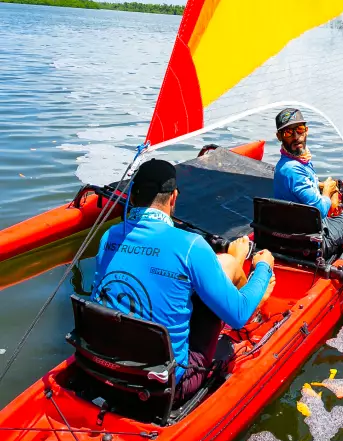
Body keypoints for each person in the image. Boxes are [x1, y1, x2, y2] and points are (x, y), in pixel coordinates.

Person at [91, 158, 275, 404]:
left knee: (221, 266)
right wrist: (263, 267)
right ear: (174, 197)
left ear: (132, 198)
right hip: (166, 387)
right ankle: (253, 294)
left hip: (106, 373)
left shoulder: (108, 238)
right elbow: (237, 316)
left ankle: (233, 265)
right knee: (229, 286)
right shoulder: (190, 246)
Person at [273, 108, 343, 257]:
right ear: (279, 136)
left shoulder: (289, 163)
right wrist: (326, 189)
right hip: (316, 242)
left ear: (306, 130)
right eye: (288, 132)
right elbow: (321, 210)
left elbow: (298, 188)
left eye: (299, 129)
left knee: (333, 202)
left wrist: (320, 185)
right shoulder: (293, 170)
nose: (296, 137)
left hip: (292, 235)